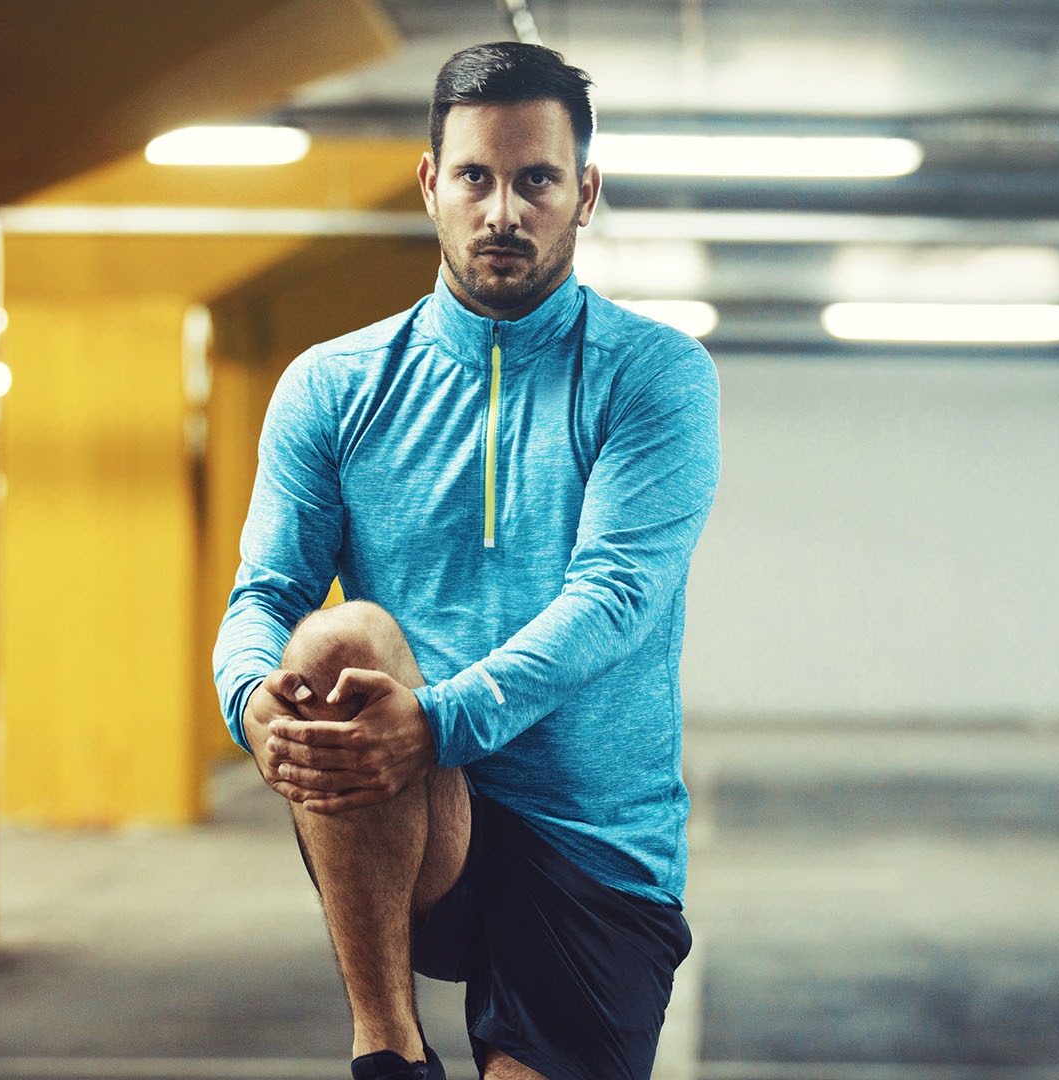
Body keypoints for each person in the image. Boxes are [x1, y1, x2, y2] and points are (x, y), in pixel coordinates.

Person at [211, 41, 721, 1080]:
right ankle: (388, 1047)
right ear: (429, 183)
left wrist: (438, 719)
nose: (503, 213)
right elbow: (264, 595)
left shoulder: (654, 377)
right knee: (335, 638)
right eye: (476, 178)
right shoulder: (334, 387)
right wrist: (247, 699)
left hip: (593, 842)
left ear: (585, 194)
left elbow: (614, 596)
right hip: (418, 815)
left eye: (536, 181)